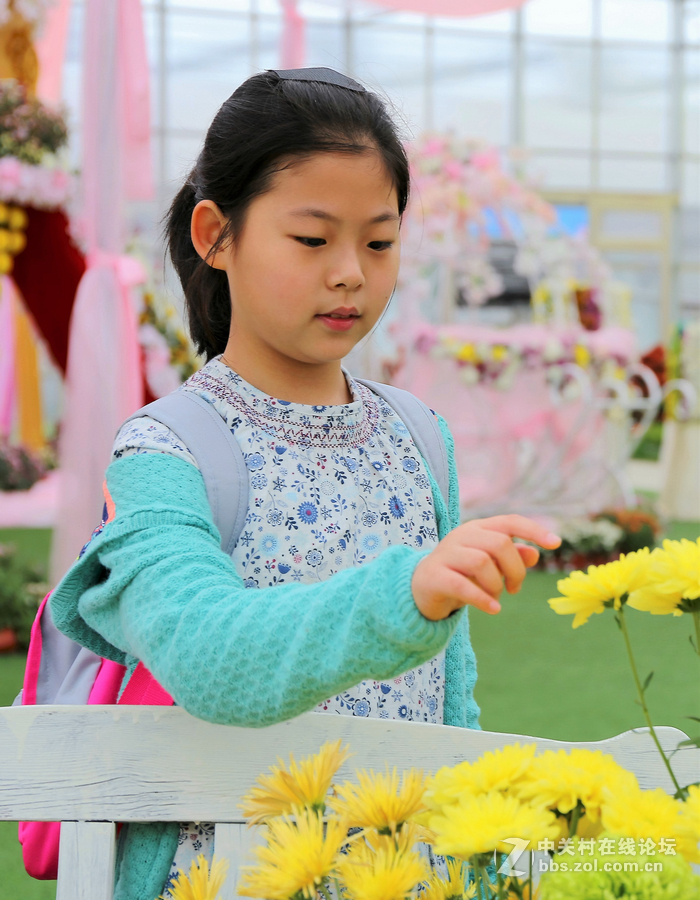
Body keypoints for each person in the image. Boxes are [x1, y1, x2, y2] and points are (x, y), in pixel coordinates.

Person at [49, 67, 561, 900]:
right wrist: (407, 596)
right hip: (225, 879)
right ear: (217, 234)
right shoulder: (164, 451)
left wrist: (484, 863)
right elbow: (206, 654)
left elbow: (450, 704)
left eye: (380, 241)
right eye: (314, 240)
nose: (352, 273)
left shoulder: (419, 436)